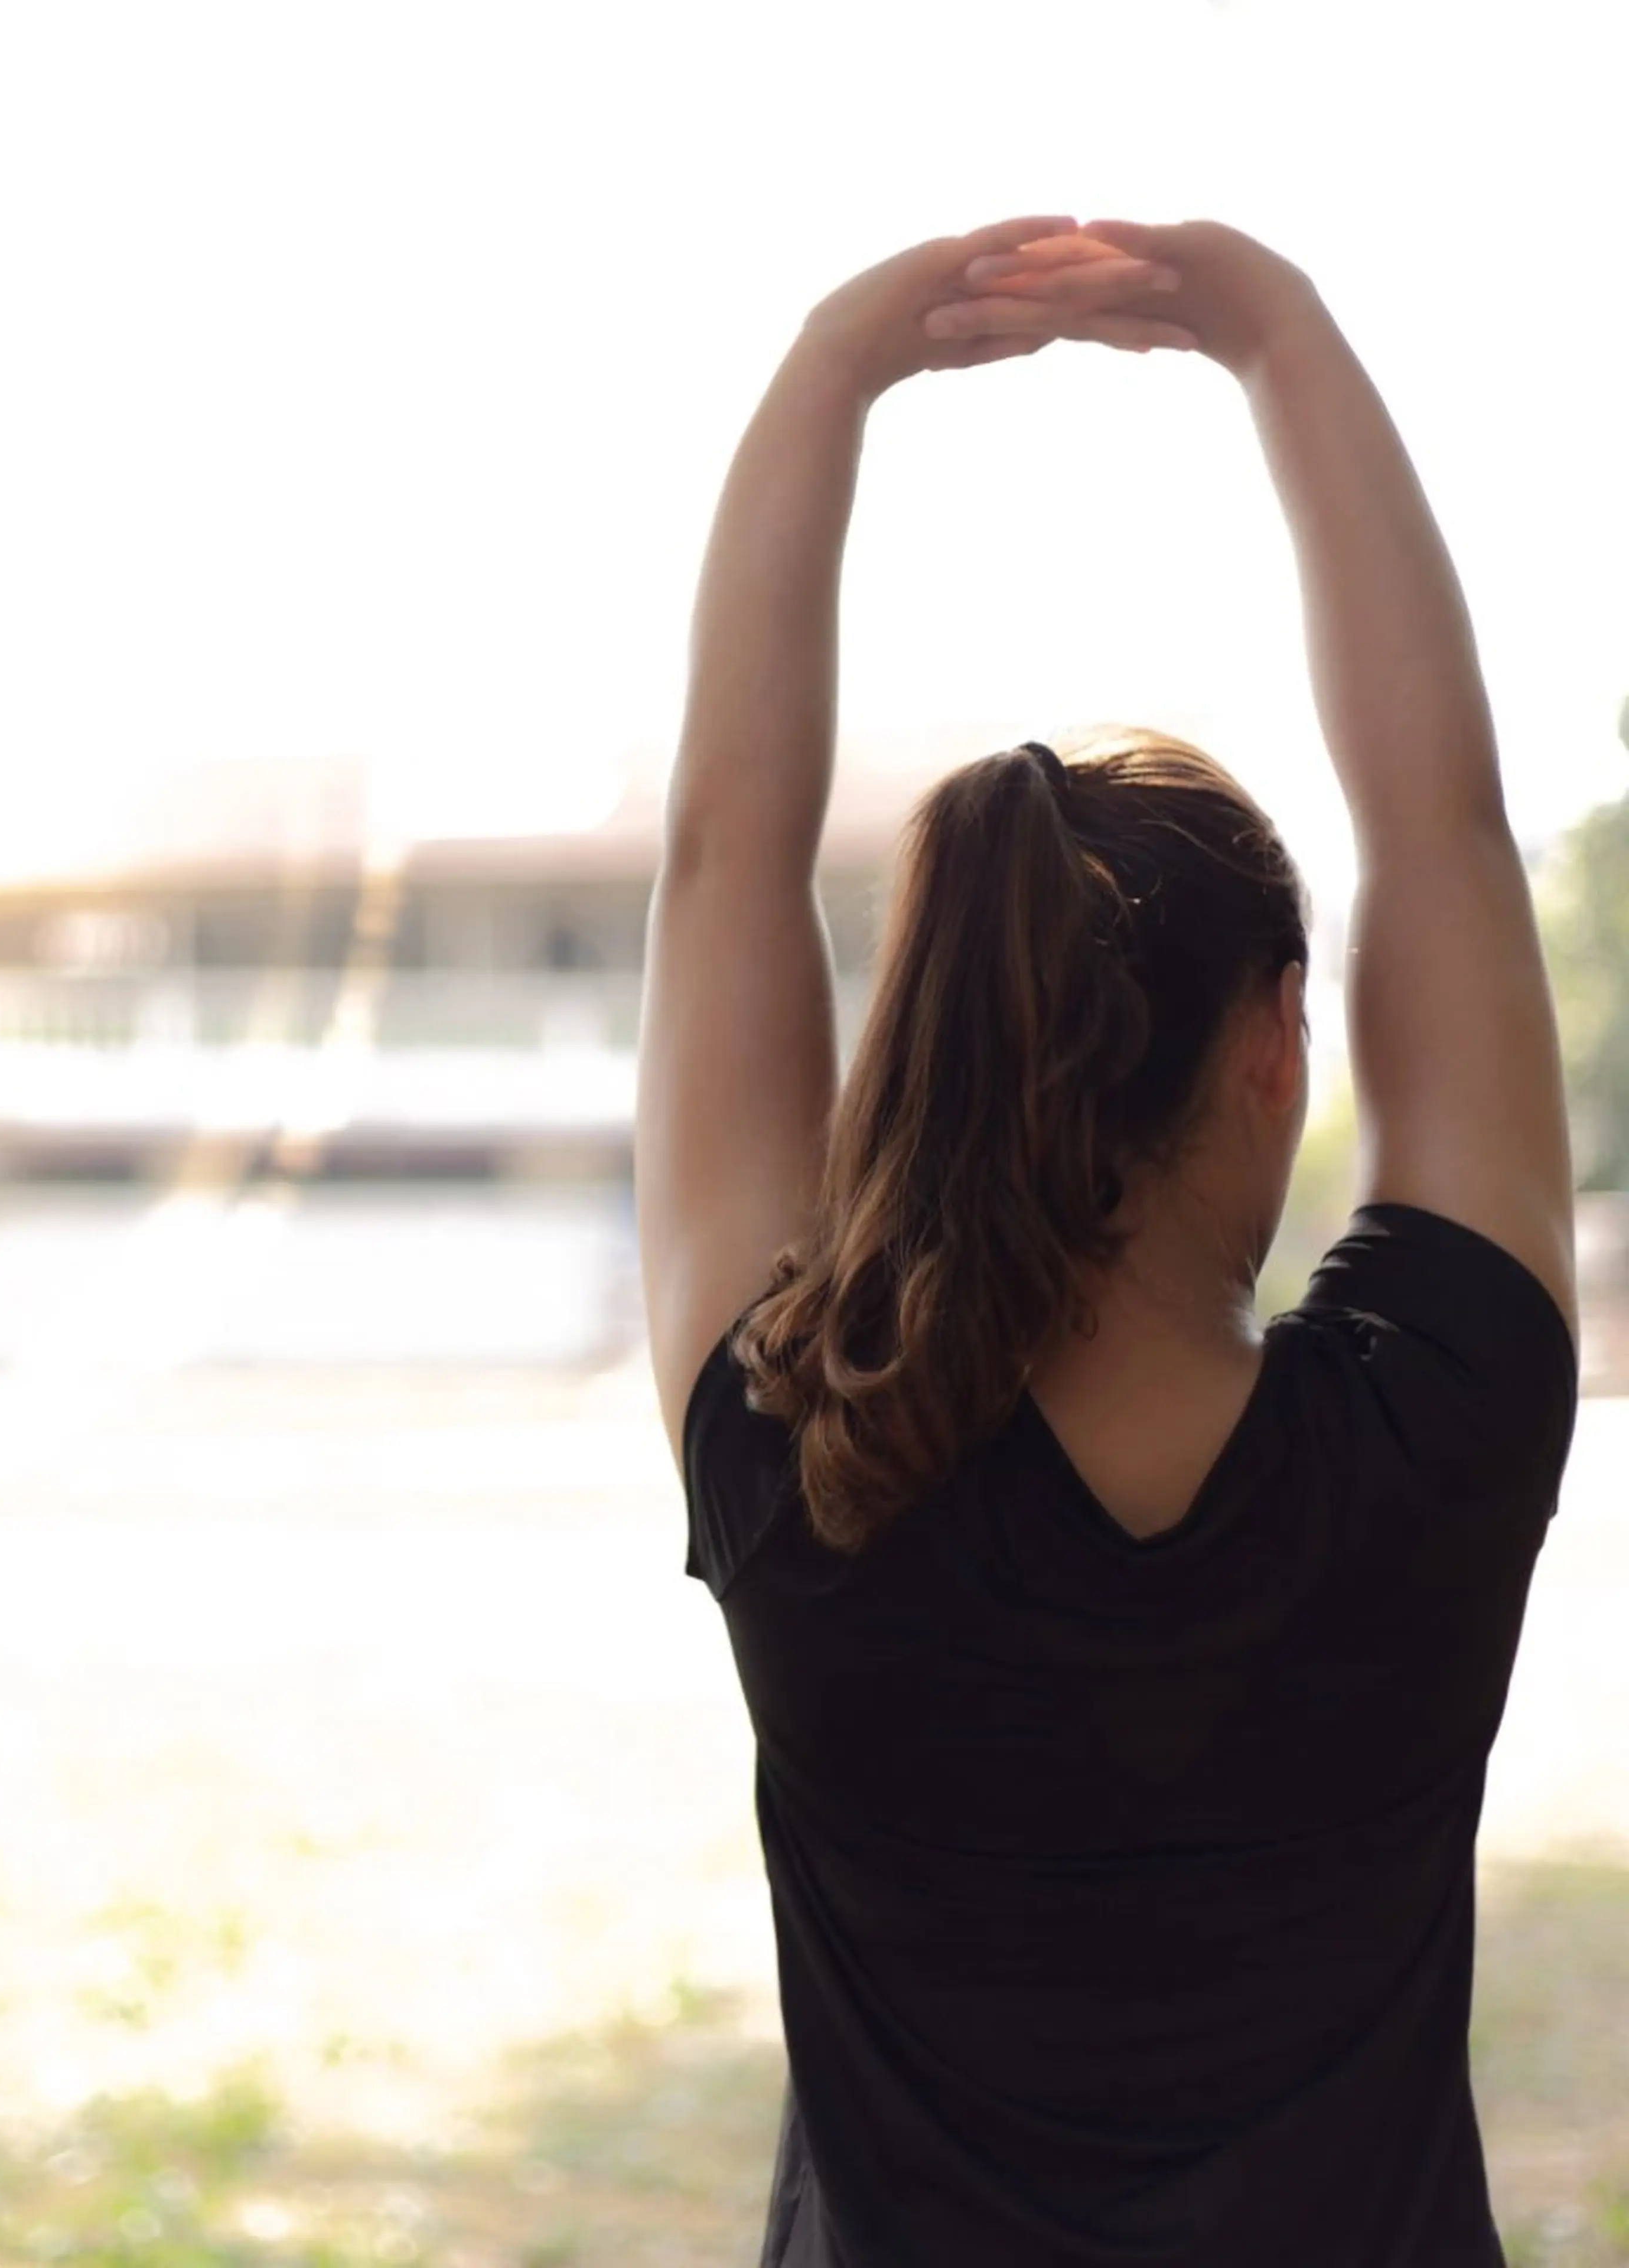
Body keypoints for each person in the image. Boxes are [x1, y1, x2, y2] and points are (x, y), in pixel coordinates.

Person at [631, 216, 1580, 2266]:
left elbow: (721, 860)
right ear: (1271, 1050)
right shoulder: (1440, 1432)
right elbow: (1446, 823)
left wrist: (828, 369)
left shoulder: (806, 1465)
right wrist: (1280, 333)